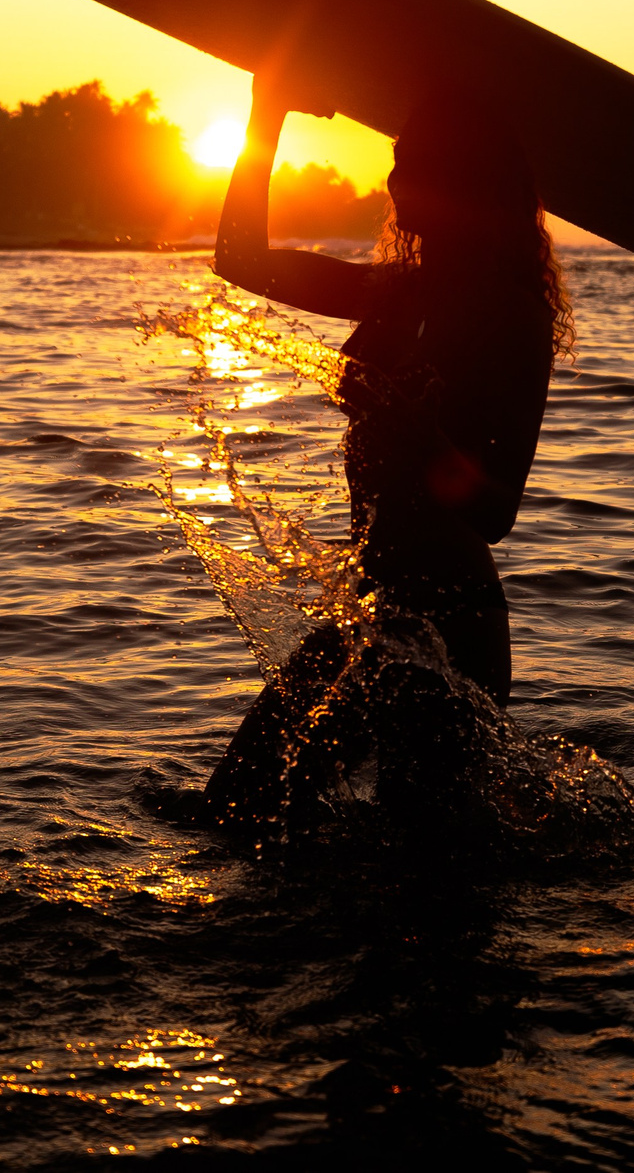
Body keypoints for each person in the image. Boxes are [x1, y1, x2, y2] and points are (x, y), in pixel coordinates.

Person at [202, 75, 573, 836]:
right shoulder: (400, 292)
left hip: (449, 633)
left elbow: (496, 511)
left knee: (423, 874)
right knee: (240, 804)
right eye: (397, 159)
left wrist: (419, 437)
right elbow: (239, 257)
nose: (394, 178)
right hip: (379, 618)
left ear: (461, 180)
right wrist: (266, 114)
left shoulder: (513, 317)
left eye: (416, 162)